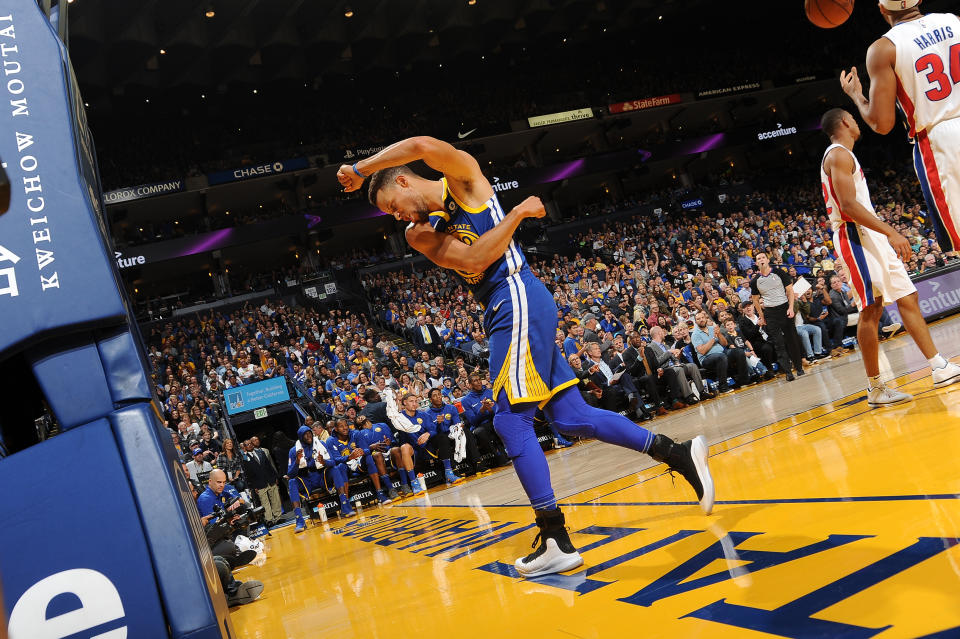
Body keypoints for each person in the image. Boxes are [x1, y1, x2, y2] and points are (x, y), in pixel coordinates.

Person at [340, 135, 714, 578]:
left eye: (391, 205)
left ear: (403, 180)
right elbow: (478, 257)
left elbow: (421, 143)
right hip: (506, 303)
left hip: (516, 296)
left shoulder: (462, 180)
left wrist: (361, 168)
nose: (395, 216)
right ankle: (679, 453)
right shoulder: (419, 233)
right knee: (572, 417)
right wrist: (517, 213)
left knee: (509, 420)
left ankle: (555, 536)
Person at [819, 108, 960, 405]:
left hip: (870, 235)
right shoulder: (838, 154)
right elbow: (847, 205)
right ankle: (876, 388)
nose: (857, 124)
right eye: (854, 119)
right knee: (871, 310)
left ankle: (938, 365)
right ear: (845, 122)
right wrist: (892, 232)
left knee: (908, 297)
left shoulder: (843, 154)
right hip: (854, 235)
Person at [840, 2, 960, 253]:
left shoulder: (883, 48)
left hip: (941, 142)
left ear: (882, 9)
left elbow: (882, 124)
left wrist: (857, 97)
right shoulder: (954, 20)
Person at [287, 425, 353, 533]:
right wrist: (297, 462)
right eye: (305, 435)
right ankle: (299, 520)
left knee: (335, 469)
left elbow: (332, 461)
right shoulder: (294, 451)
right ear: (300, 437)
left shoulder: (321, 444)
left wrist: (324, 462)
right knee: (292, 482)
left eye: (310, 433)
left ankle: (345, 506)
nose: (309, 436)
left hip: (321, 476)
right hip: (306, 479)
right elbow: (290, 474)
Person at [750, 253, 805, 381]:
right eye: (758, 259)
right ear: (756, 263)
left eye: (763, 257)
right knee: (778, 343)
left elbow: (790, 291)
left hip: (784, 308)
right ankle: (788, 372)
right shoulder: (755, 281)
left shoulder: (779, 272)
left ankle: (799, 367)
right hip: (770, 312)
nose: (761, 260)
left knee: (792, 340)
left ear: (768, 260)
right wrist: (762, 316)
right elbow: (755, 300)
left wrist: (791, 308)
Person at [242, 438, 283, 527]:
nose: (250, 445)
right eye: (247, 444)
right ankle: (269, 520)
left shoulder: (261, 452)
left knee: (275, 499)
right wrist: (254, 486)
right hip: (259, 483)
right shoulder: (245, 459)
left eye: (250, 443)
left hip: (270, 479)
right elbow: (248, 475)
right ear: (245, 447)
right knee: (265, 503)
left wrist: (275, 477)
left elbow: (269, 465)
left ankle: (278, 517)